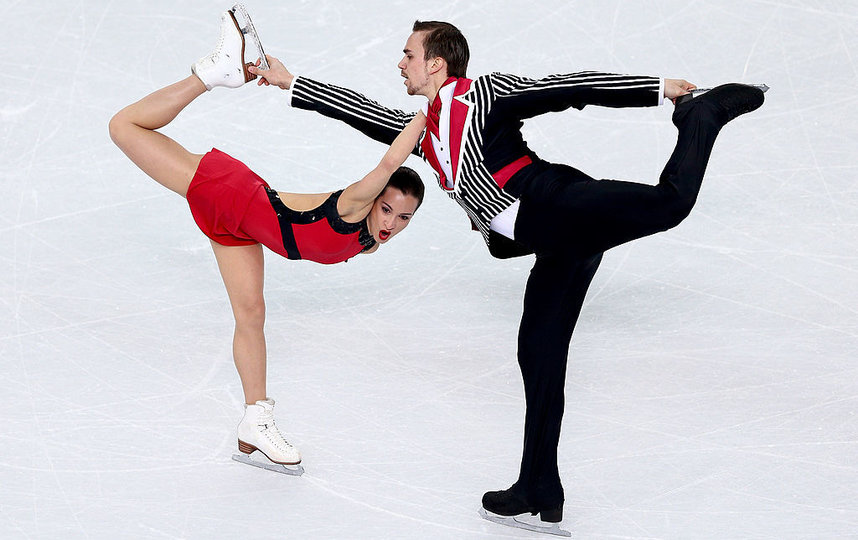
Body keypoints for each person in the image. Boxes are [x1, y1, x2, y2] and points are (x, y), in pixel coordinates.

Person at [249, 19, 765, 533]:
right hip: (554, 240)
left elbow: (565, 89)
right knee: (537, 352)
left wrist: (658, 89)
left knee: (669, 202)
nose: (400, 63)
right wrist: (290, 81)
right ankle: (540, 485)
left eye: (408, 54)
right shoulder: (424, 131)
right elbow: (363, 113)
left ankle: (701, 115)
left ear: (436, 62)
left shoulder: (484, 94)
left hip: (557, 203)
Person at [108, 9, 426, 473]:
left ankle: (255, 418)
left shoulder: (370, 235)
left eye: (404, 219)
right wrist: (430, 115)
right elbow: (388, 162)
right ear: (374, 199)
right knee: (125, 127)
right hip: (233, 196)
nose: (392, 223)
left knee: (251, 313)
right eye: (387, 209)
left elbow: (300, 209)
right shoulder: (358, 203)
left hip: (242, 225)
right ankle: (212, 73)